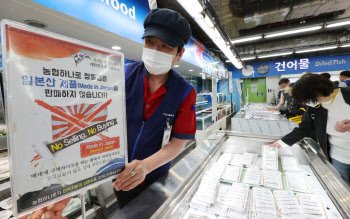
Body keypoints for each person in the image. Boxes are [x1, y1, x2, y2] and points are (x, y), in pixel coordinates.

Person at [111, 8, 197, 208]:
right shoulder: (120, 76)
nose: (154, 51)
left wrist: (146, 166)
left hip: (157, 175)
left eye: (165, 46)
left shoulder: (185, 92)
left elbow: (178, 142)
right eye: (149, 42)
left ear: (180, 53)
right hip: (119, 175)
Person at [269, 73, 350, 181]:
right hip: (339, 156)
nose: (306, 103)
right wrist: (281, 143)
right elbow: (305, 128)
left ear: (316, 92)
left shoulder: (346, 95)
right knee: (343, 187)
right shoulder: (315, 107)